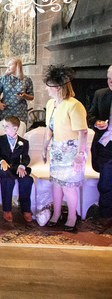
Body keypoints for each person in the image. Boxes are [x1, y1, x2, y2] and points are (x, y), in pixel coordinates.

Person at [41, 65, 88, 232]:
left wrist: (80, 155)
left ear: (58, 87)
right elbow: (49, 128)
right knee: (57, 184)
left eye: (49, 85)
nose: (46, 89)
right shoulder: (51, 103)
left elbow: (83, 132)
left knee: (69, 186)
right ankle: (56, 214)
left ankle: (72, 217)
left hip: (72, 150)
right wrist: (44, 147)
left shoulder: (75, 105)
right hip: (56, 150)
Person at [0, 116, 34, 223]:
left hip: (16, 167)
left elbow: (25, 158)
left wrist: (22, 166)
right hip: (2, 167)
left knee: (26, 179)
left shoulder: (24, 142)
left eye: (6, 126)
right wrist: (2, 161)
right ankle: (7, 209)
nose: (4, 128)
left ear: (15, 129)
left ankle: (26, 209)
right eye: (3, 126)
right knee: (7, 179)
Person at [88, 65, 112, 227]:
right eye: (109, 79)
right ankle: (105, 213)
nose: (111, 82)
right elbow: (90, 115)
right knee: (105, 182)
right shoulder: (100, 94)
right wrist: (97, 122)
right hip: (105, 145)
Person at [0, 57, 34, 123]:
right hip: (6, 110)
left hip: (20, 111)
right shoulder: (3, 78)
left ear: (17, 66)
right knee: (4, 130)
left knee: (19, 130)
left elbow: (31, 96)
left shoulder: (27, 80)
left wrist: (25, 95)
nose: (8, 67)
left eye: (11, 65)